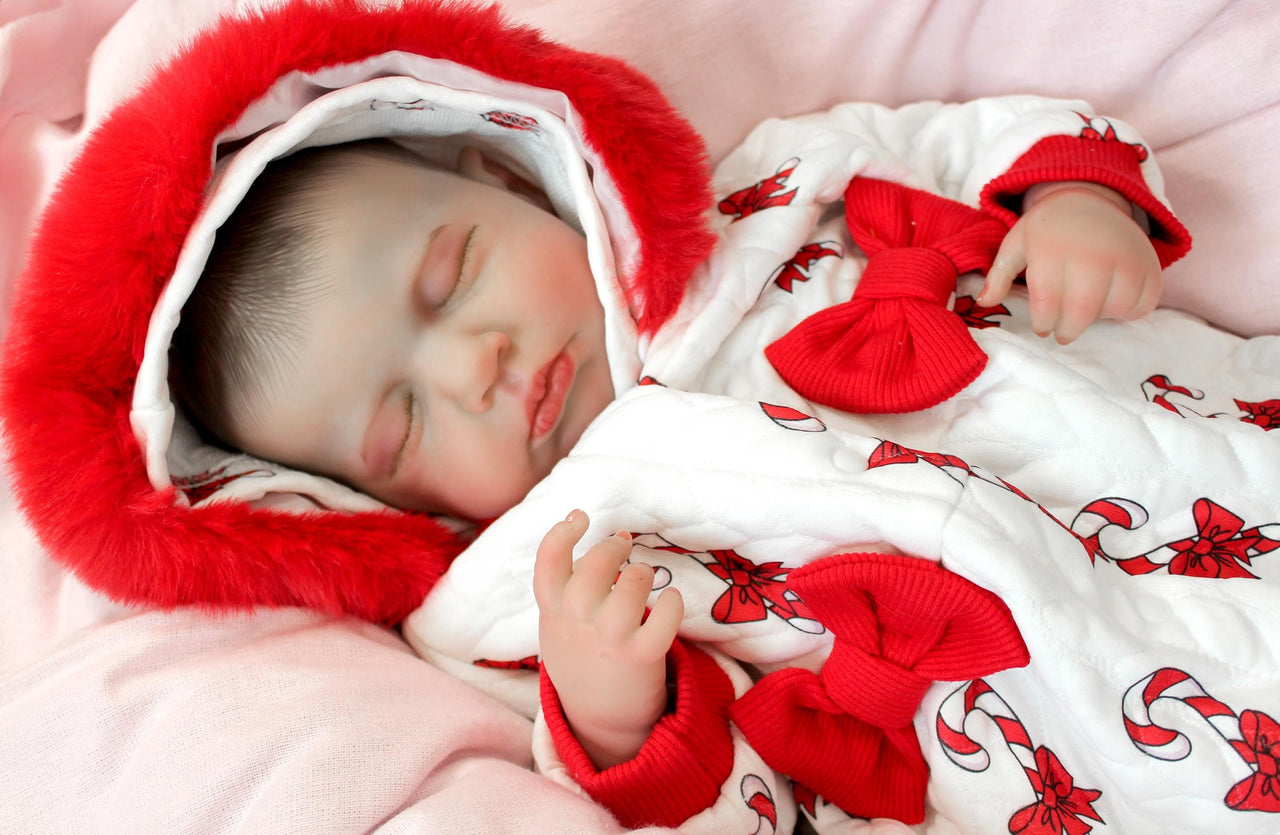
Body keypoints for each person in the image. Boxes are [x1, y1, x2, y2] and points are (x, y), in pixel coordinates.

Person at [167, 91, 1193, 832]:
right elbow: (755, 803)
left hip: (1176, 464)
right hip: (1090, 743)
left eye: (454, 275)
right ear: (364, 499)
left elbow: (951, 144)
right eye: (401, 428)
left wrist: (1073, 200)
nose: (473, 370)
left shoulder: (762, 202)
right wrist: (619, 719)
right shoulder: (524, 597)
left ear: (504, 173)